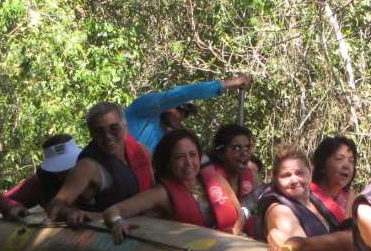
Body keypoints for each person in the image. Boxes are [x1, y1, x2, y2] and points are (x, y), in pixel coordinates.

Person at [101, 129, 244, 242]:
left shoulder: (215, 178)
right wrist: (117, 222)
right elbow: (112, 211)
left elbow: (238, 213)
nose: (188, 162)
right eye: (179, 157)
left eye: (192, 155)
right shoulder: (161, 193)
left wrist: (234, 239)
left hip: (229, 250)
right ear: (168, 163)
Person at [47, 102, 153, 224]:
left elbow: (156, 190)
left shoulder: (142, 152)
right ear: (92, 135)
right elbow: (55, 205)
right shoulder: (87, 167)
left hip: (149, 228)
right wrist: (69, 212)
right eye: (99, 131)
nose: (107, 136)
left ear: (125, 127)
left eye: (114, 128)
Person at [260, 146, 353, 251]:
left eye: (299, 173)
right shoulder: (280, 211)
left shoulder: (315, 201)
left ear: (310, 173)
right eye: (286, 175)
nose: (294, 180)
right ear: (275, 180)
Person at [125, 74, 253, 154]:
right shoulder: (144, 107)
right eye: (180, 109)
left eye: (187, 114)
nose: (181, 117)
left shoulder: (167, 137)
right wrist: (231, 83)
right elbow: (182, 94)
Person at [0, 134, 80, 220]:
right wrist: (13, 207)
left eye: (68, 165)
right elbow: (4, 199)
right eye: (58, 168)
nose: (64, 173)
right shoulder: (44, 180)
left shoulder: (90, 169)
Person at [310, 135, 358, 223]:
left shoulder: (350, 198)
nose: (346, 166)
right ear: (322, 165)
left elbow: (348, 233)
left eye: (351, 161)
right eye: (339, 159)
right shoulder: (305, 190)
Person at [207, 123, 259, 199]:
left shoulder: (254, 179)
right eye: (237, 148)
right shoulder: (207, 183)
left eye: (247, 148)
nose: (244, 153)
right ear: (220, 153)